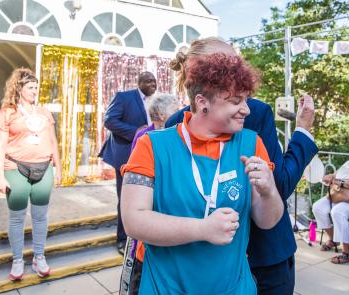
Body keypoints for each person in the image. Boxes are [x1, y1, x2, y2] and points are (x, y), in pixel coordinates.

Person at [165, 37, 318, 294]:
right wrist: (302, 132)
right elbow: (279, 184)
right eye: (232, 63)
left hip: (198, 260)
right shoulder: (254, 112)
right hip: (260, 257)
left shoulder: (174, 121)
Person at [121, 53, 283, 294]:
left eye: (246, 100)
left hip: (234, 287)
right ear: (202, 101)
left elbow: (267, 221)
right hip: (165, 288)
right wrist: (203, 229)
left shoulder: (252, 144)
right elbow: (134, 221)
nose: (246, 110)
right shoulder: (152, 146)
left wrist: (269, 191)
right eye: (236, 101)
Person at [0, 68, 61, 280]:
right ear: (19, 88)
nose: (35, 91)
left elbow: (53, 141)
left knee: (40, 217)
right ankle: (17, 260)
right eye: (30, 87)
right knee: (17, 218)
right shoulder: (7, 113)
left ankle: (39, 256)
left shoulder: (44, 113)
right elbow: (0, 147)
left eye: (36, 87)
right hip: (15, 169)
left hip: (44, 168)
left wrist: (58, 168)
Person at [119, 93, 180, 295]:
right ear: (162, 114)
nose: (180, 111)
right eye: (175, 108)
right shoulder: (145, 136)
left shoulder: (178, 133)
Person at [99, 71, 157, 254]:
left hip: (147, 155)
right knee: (125, 198)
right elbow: (109, 120)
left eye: (154, 82)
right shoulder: (124, 97)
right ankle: (123, 240)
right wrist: (135, 131)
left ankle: (141, 236)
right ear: (139, 82)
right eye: (148, 81)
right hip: (125, 155)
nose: (153, 84)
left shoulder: (155, 101)